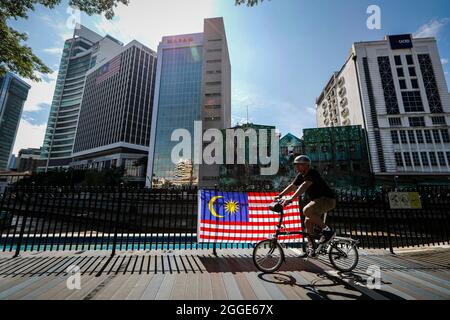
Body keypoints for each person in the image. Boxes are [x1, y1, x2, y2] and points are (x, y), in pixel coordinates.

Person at [275, 155, 336, 244]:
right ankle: (311, 247)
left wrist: (291, 198)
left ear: (307, 165)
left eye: (299, 165)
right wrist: (280, 195)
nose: (297, 167)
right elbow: (292, 186)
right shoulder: (301, 175)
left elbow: (304, 186)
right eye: (296, 165)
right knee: (307, 222)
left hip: (327, 200)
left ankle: (327, 230)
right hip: (317, 201)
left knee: (306, 210)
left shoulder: (312, 173)